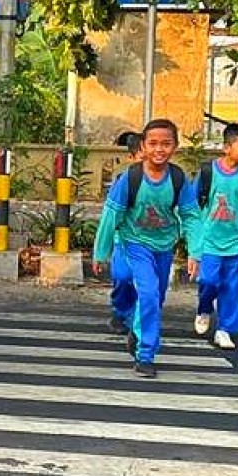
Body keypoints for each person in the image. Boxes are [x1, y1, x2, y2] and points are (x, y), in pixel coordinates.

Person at [92, 119, 189, 377]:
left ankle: (137, 329)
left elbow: (192, 215)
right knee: (146, 293)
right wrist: (100, 252)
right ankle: (146, 354)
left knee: (156, 298)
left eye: (166, 144)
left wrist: (197, 252)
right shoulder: (130, 179)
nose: (160, 149)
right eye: (153, 143)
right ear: (143, 147)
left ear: (175, 147)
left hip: (165, 245)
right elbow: (110, 216)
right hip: (134, 242)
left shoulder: (178, 178)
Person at [181, 122, 238, 350]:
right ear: (227, 147)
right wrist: (190, 241)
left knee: (231, 287)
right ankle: (204, 308)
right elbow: (191, 208)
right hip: (208, 241)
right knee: (208, 281)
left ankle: (225, 329)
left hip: (236, 242)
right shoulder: (208, 172)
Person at [108, 131, 143, 334]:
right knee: (122, 277)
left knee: (144, 285)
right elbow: (111, 214)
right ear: (131, 157)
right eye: (141, 158)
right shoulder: (123, 181)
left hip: (149, 243)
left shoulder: (166, 180)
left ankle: (135, 321)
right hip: (123, 239)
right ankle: (121, 309)